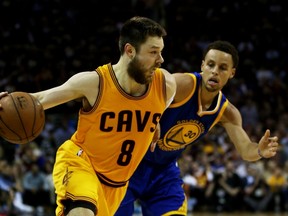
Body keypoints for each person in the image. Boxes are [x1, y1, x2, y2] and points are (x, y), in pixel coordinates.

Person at [0, 16, 176, 216]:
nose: (160, 60)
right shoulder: (94, 83)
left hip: (116, 186)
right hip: (80, 163)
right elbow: (39, 99)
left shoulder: (166, 86)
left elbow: (158, 108)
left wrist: (156, 122)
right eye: (153, 52)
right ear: (130, 50)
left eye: (161, 52)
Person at [115, 40, 279, 216]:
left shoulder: (227, 112)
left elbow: (247, 151)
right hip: (129, 162)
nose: (215, 71)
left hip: (164, 171)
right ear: (202, 66)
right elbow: (136, 95)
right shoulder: (182, 84)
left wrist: (260, 151)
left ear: (232, 73)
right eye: (210, 64)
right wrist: (151, 119)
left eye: (223, 68)